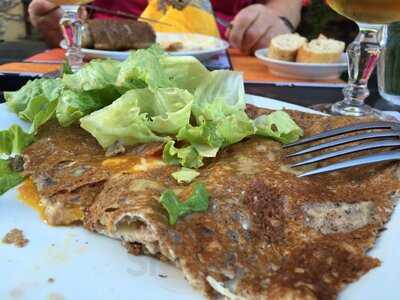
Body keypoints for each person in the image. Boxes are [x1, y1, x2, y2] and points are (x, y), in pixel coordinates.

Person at [29, 0, 303, 53]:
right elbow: (60, 19)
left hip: (232, 64)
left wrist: (276, 18)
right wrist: (54, 21)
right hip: (102, 62)